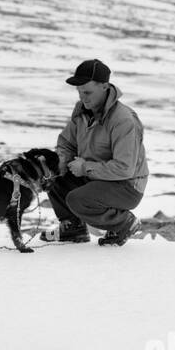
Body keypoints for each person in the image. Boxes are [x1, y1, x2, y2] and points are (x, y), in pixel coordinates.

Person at [49, 58, 148, 246]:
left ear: (104, 87)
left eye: (87, 92)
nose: (82, 98)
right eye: (79, 92)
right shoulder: (83, 112)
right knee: (52, 174)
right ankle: (73, 229)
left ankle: (124, 224)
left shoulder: (123, 120)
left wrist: (85, 167)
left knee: (78, 199)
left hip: (126, 186)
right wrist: (60, 162)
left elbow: (124, 168)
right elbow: (66, 143)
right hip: (97, 179)